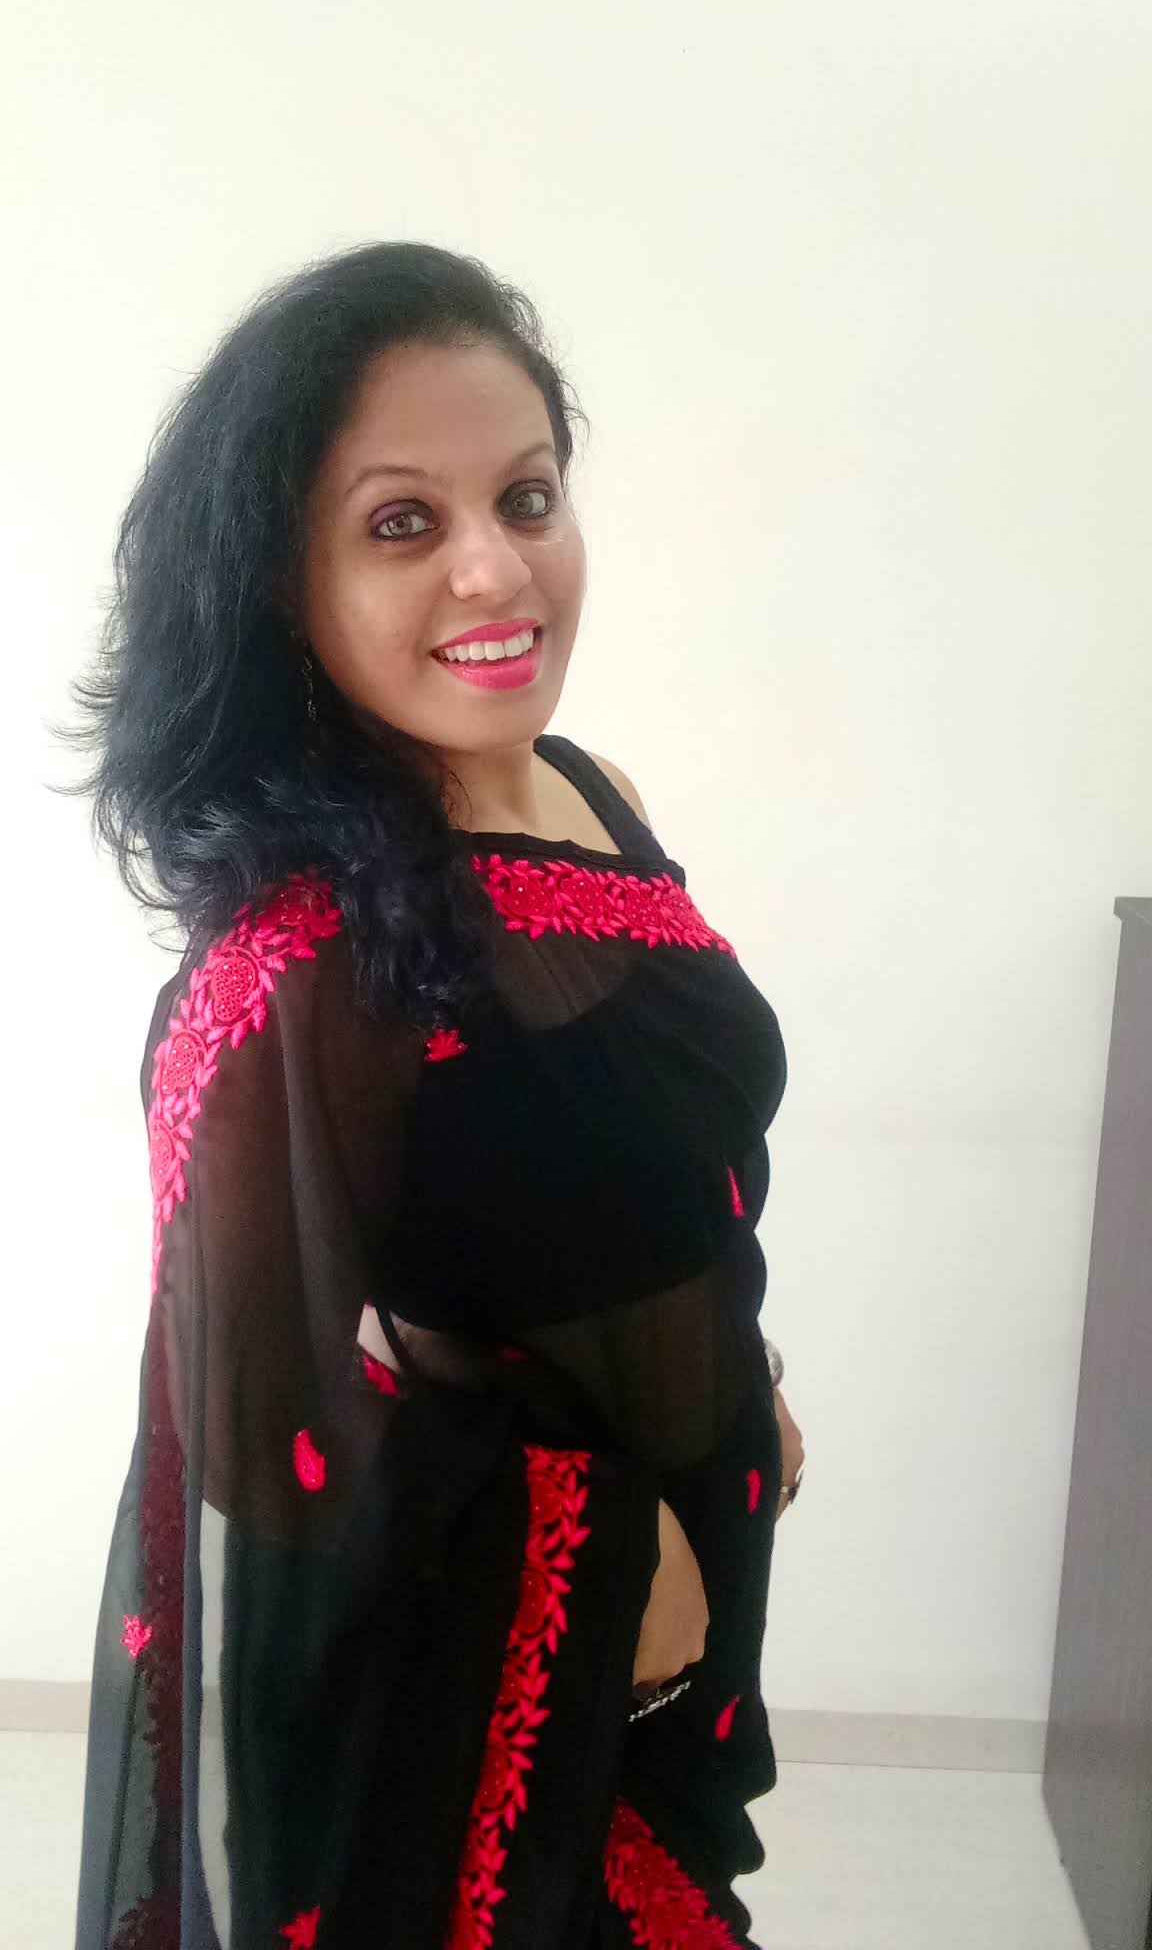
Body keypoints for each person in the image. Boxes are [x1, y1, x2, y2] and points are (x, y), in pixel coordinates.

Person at [60, 239, 801, 1949]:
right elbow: (254, 1458)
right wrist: (606, 1556)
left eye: (526, 497)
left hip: (704, 1559)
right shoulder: (300, 960)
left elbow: (643, 1169)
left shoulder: (597, 793)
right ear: (281, 583)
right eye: (402, 522)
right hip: (505, 1683)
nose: (496, 567)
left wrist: (745, 1387)